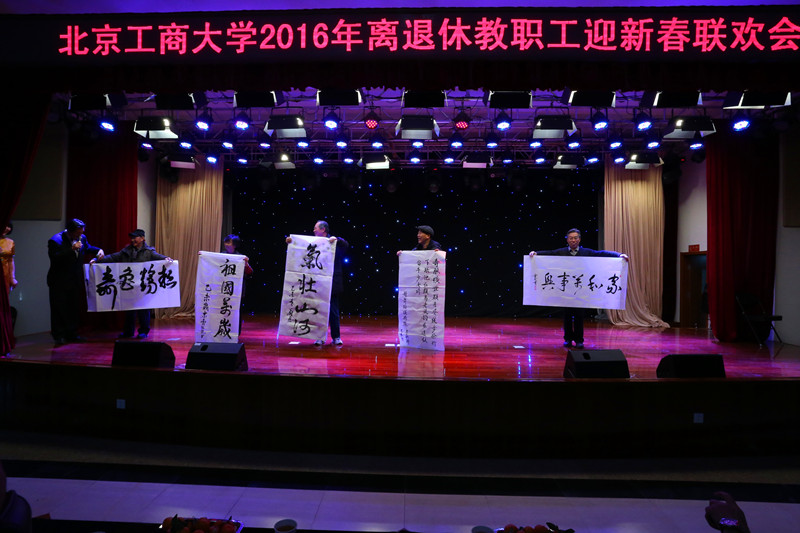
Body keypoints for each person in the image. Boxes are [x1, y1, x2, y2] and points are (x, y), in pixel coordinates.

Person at [530, 228, 628, 349]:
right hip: (566, 291)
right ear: (567, 240)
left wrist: (619, 255)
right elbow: (550, 253)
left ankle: (579, 340)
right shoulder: (561, 252)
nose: (573, 240)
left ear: (579, 239)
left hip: (581, 291)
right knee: (567, 317)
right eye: (571, 238)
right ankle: (567, 339)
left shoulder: (586, 252)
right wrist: (536, 253)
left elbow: (601, 253)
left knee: (579, 317)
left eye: (575, 238)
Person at [93, 229, 170, 339]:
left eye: (135, 237)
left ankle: (143, 331)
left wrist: (166, 259)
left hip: (143, 286)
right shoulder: (126, 251)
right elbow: (112, 257)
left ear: (142, 238)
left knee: (143, 309)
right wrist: (97, 261)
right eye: (132, 238)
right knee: (129, 309)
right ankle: (128, 332)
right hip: (129, 285)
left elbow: (158, 257)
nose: (133, 240)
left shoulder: (149, 251)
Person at [285, 220, 349, 346]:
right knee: (317, 311)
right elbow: (300, 248)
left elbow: (345, 245)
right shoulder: (313, 242)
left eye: (316, 228)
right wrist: (291, 242)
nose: (314, 230)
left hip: (331, 283)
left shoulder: (332, 241)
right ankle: (319, 337)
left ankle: (336, 337)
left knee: (333, 311)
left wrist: (337, 240)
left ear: (323, 229)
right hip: (316, 283)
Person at [47, 218, 104, 345]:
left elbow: (87, 248)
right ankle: (59, 335)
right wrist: (71, 249)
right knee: (59, 308)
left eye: (82, 232)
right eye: (78, 233)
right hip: (59, 281)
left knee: (73, 308)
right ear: (70, 231)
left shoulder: (82, 238)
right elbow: (55, 258)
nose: (81, 235)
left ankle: (72, 333)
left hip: (75, 279)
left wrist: (98, 250)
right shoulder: (55, 240)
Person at [1, 223, 17, 295]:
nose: (7, 228)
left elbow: (11, 261)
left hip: (5, 275)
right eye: (5, 226)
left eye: (9, 226)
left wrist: (12, 278)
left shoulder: (10, 242)